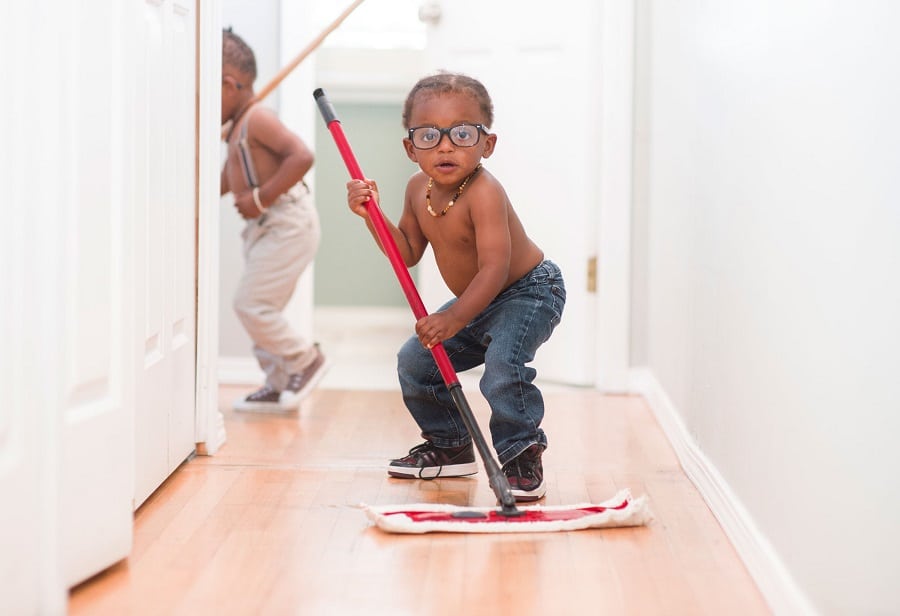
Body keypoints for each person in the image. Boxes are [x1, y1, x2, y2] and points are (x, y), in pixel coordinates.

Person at [345, 72, 566, 501]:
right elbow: (406, 252)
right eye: (429, 135)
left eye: (462, 134)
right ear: (411, 148)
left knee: (503, 366)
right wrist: (371, 215)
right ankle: (450, 445)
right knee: (416, 361)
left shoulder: (485, 193)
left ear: (487, 144)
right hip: (476, 300)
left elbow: (495, 269)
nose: (445, 146)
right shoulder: (417, 190)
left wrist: (452, 317)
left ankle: (521, 453)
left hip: (527, 291)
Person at [221, 29, 327, 412]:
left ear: (230, 85)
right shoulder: (237, 127)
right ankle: (277, 379)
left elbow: (301, 155)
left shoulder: (257, 119)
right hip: (263, 227)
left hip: (287, 222)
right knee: (262, 305)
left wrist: (259, 199)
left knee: (251, 304)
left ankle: (304, 359)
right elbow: (229, 177)